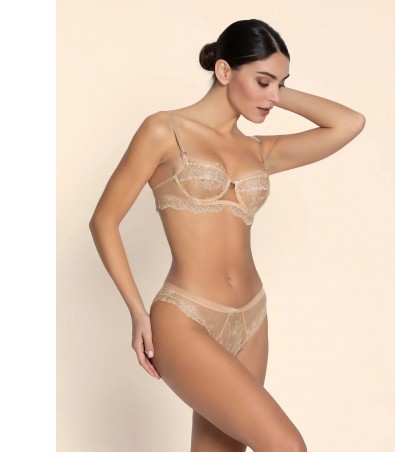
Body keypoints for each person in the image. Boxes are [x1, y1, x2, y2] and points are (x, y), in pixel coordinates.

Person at [89, 18, 365, 452]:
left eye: (281, 84)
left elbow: (349, 123)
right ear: (223, 71)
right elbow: (104, 220)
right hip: (185, 317)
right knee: (287, 446)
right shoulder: (164, 130)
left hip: (252, 319)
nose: (273, 97)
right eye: (263, 81)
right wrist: (137, 313)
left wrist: (273, 88)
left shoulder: (258, 150)